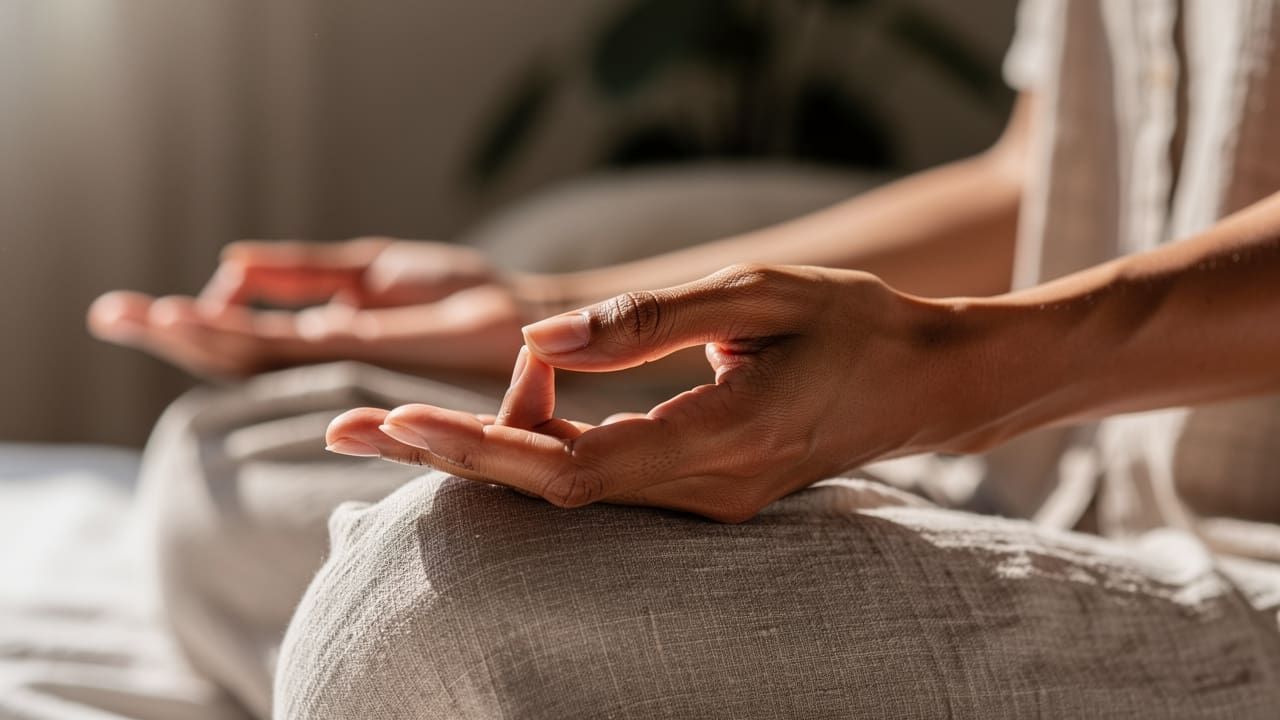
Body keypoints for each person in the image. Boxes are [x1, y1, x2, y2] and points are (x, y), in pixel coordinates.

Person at [70, 1, 1280, 718]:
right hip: (1067, 490)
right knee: (229, 468)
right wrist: (534, 313)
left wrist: (949, 369)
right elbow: (1041, 174)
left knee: (434, 605)